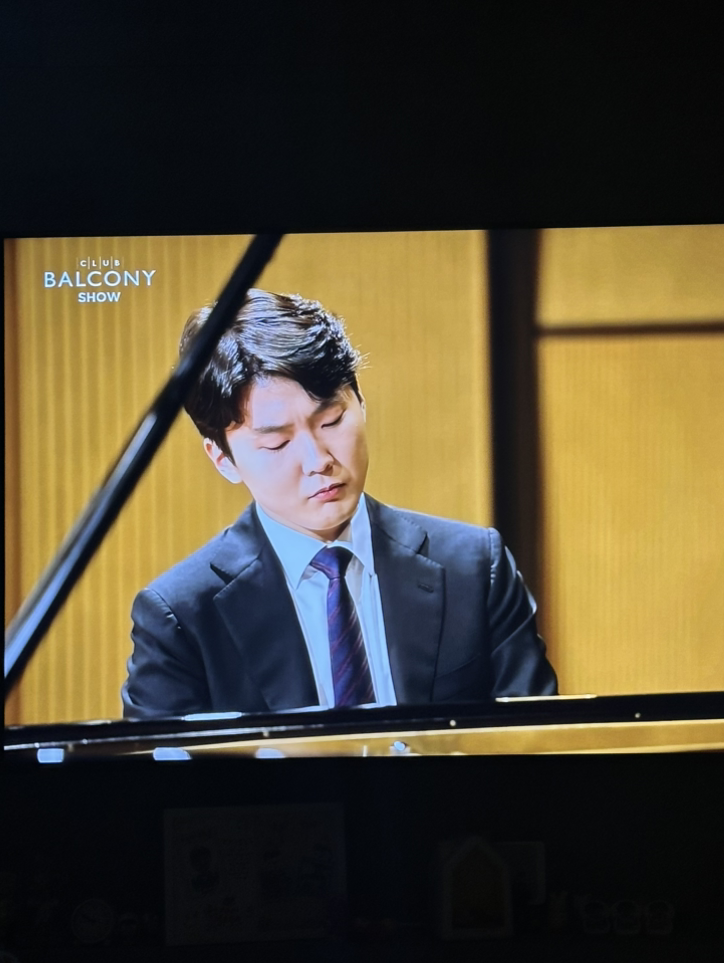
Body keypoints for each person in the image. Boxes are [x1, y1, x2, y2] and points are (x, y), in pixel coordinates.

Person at [121, 290, 557, 718]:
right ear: (223, 459)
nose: (318, 461)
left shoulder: (475, 568)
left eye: (331, 420)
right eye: (277, 443)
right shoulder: (180, 617)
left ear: (361, 403)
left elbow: (536, 741)